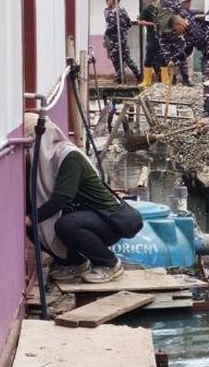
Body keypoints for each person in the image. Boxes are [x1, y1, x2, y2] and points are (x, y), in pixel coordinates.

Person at [24, 115, 142, 284]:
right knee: (36, 228)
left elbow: (61, 199)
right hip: (87, 215)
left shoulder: (68, 157)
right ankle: (75, 262)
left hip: (108, 220)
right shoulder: (49, 160)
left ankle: (109, 263)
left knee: (65, 225)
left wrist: (29, 219)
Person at [171, 14, 209, 110]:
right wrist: (175, 59)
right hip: (208, 55)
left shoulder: (196, 20)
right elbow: (188, 49)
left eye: (175, 30)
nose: (176, 33)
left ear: (179, 24)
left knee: (208, 79)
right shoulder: (187, 34)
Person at [157, 0, 193, 85]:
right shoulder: (173, 0)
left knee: (168, 56)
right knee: (181, 53)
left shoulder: (160, 1)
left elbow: (157, 17)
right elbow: (183, 13)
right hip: (174, 32)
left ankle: (172, 80)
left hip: (162, 33)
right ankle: (185, 80)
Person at [103, 0, 141, 83]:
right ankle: (125, 77)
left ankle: (125, 76)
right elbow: (108, 25)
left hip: (120, 38)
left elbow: (128, 23)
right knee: (121, 58)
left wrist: (120, 29)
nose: (106, 1)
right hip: (111, 38)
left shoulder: (120, 10)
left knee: (118, 57)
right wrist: (106, 36)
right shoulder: (106, 11)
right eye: (106, 0)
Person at [138, 0, 166, 88]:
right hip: (151, 37)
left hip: (161, 38)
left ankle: (165, 81)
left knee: (163, 58)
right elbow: (140, 22)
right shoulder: (148, 10)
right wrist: (151, 24)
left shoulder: (161, 10)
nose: (161, 1)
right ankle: (146, 81)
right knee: (149, 57)